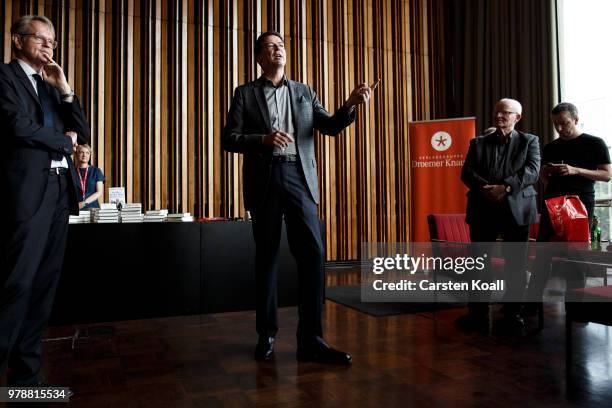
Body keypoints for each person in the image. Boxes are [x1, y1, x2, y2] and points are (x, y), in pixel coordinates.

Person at [223, 31, 374, 364]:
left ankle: (311, 340)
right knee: (267, 257)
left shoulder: (305, 92)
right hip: (264, 180)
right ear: (259, 57)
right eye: (271, 47)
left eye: (281, 46)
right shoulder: (245, 94)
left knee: (313, 254)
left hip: (299, 178)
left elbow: (331, 126)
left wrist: (350, 104)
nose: (278, 50)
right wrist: (262, 139)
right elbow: (229, 139)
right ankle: (266, 335)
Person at [0, 15, 90, 386]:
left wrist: (66, 89)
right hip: (25, 193)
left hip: (57, 190)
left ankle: (26, 377)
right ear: (18, 40)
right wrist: (62, 141)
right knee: (16, 283)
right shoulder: (4, 77)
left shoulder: (52, 84)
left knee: (44, 285)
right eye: (40, 39)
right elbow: (15, 124)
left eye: (52, 41)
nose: (49, 46)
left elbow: (82, 132)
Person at [459, 98, 541, 332]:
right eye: (497, 112)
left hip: (517, 210)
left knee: (516, 264)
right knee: (479, 264)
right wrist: (488, 190)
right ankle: (477, 314)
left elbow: (532, 171)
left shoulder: (530, 141)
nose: (499, 116)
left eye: (505, 112)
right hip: (483, 207)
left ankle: (513, 314)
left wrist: (504, 188)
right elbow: (467, 173)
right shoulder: (478, 143)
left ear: (518, 117)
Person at [524, 102, 611, 308]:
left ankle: (576, 308)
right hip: (552, 203)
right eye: (556, 124)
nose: (560, 129)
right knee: (543, 254)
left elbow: (607, 175)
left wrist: (575, 170)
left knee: (576, 256)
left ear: (576, 120)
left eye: (564, 123)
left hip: (579, 204)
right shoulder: (551, 147)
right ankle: (531, 304)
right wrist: (545, 173)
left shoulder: (595, 143)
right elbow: (543, 178)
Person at [73, 144, 105, 209]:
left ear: (90, 156)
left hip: (92, 208)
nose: (84, 155)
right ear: (76, 155)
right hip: (75, 208)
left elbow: (99, 192)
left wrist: (84, 203)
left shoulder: (96, 171)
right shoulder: (71, 172)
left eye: (87, 153)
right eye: (82, 152)